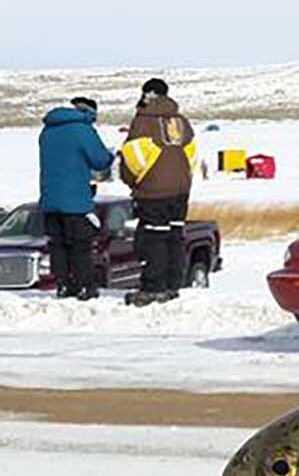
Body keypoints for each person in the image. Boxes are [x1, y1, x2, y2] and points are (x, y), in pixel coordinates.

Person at [118, 78, 196, 306]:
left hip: (153, 190)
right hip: (181, 188)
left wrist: (133, 181)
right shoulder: (181, 121)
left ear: (146, 94)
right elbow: (191, 153)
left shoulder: (143, 121)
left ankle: (154, 287)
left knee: (154, 238)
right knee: (175, 235)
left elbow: (132, 157)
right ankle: (174, 283)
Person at [38, 96, 113, 300]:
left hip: (49, 200)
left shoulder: (47, 130)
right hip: (75, 200)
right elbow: (100, 160)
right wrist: (111, 156)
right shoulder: (82, 130)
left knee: (58, 244)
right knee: (80, 245)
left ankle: (63, 285)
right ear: (89, 113)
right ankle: (84, 286)